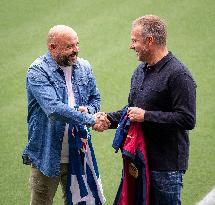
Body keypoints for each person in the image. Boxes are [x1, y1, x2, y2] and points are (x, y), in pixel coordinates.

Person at [95, 15, 196, 204]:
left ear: (150, 41)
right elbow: (132, 110)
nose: (131, 46)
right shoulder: (140, 71)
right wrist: (106, 118)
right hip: (138, 160)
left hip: (165, 167)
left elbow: (187, 119)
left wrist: (146, 116)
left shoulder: (179, 75)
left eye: (134, 40)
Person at [22, 25, 109, 205]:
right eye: (69, 46)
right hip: (46, 156)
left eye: (76, 44)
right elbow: (53, 108)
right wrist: (91, 119)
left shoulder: (84, 67)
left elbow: (95, 98)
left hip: (78, 153)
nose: (75, 50)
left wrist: (90, 110)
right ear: (52, 47)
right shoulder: (38, 71)